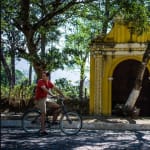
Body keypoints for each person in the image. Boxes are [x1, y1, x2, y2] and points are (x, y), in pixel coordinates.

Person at [35, 71, 67, 135]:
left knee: (58, 107)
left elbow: (56, 89)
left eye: (44, 76)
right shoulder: (40, 81)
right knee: (43, 113)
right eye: (42, 75)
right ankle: (42, 130)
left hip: (46, 99)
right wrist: (52, 95)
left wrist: (63, 95)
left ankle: (53, 121)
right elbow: (45, 89)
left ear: (47, 77)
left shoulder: (48, 82)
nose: (42, 77)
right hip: (40, 99)